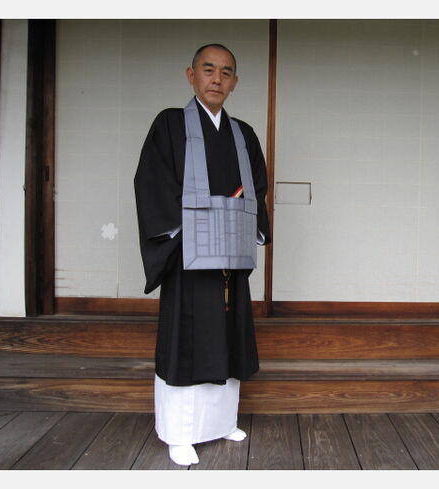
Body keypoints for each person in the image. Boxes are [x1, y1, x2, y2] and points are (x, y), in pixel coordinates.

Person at [134, 44, 271, 466]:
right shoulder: (170, 124)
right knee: (187, 341)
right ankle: (179, 431)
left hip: (228, 254)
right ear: (190, 74)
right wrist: (188, 228)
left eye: (226, 72)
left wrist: (247, 223)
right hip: (188, 255)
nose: (217, 78)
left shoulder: (242, 133)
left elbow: (257, 189)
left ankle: (219, 421)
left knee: (227, 335)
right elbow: (152, 183)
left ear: (234, 82)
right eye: (208, 69)